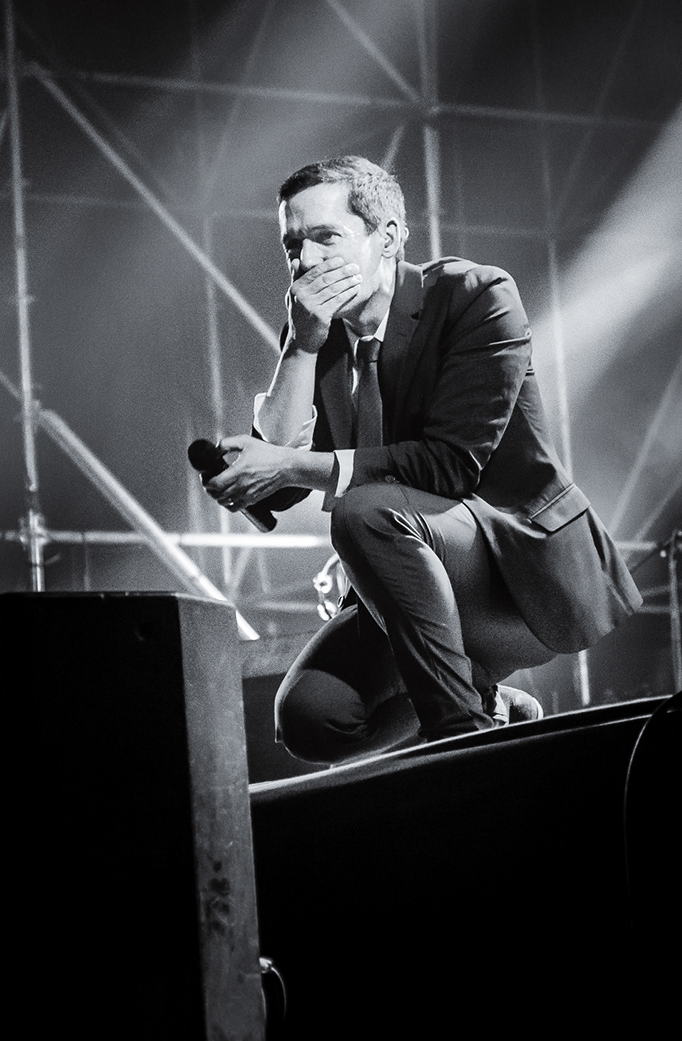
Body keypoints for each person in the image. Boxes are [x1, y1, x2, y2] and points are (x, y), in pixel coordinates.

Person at [203, 156, 639, 763]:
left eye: (326, 238)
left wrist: (287, 466)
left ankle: (464, 741)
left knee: (361, 512)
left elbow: (450, 465)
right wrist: (300, 348)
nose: (305, 262)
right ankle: (490, 703)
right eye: (292, 246)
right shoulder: (316, 334)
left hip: (514, 573)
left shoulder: (475, 295)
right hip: (408, 581)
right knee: (311, 716)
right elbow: (276, 489)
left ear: (387, 238)